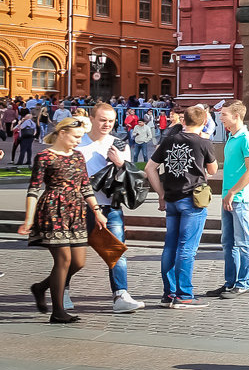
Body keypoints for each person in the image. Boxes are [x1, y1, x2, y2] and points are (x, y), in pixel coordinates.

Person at [18, 116, 106, 323]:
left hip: (76, 211)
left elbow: (85, 186)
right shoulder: (44, 157)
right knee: (63, 260)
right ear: (62, 133)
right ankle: (58, 312)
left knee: (78, 262)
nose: (78, 141)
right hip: (52, 210)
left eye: (80, 137)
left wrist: (97, 210)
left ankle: (40, 287)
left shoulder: (77, 157)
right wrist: (28, 220)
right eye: (76, 136)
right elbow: (33, 190)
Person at [144, 106, 218, 308]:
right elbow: (212, 169)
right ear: (204, 123)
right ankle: (184, 295)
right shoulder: (204, 142)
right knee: (187, 249)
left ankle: (169, 293)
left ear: (183, 120)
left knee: (170, 246)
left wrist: (160, 194)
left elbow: (150, 168)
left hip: (171, 199)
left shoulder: (169, 140)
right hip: (193, 200)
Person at [76, 103, 145, 313]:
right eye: (102, 120)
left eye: (111, 120)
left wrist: (121, 164)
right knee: (72, 256)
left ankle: (120, 295)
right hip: (80, 208)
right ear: (92, 119)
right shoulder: (78, 143)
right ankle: (63, 289)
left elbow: (131, 180)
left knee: (116, 252)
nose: (107, 124)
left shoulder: (119, 145)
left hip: (110, 207)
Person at [209, 101, 249, 299]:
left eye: (224, 115)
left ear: (236, 116)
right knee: (228, 242)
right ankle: (230, 282)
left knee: (244, 242)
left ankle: (244, 283)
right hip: (229, 197)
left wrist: (233, 192)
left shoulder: (246, 138)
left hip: (241, 199)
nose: (221, 118)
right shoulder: (232, 138)